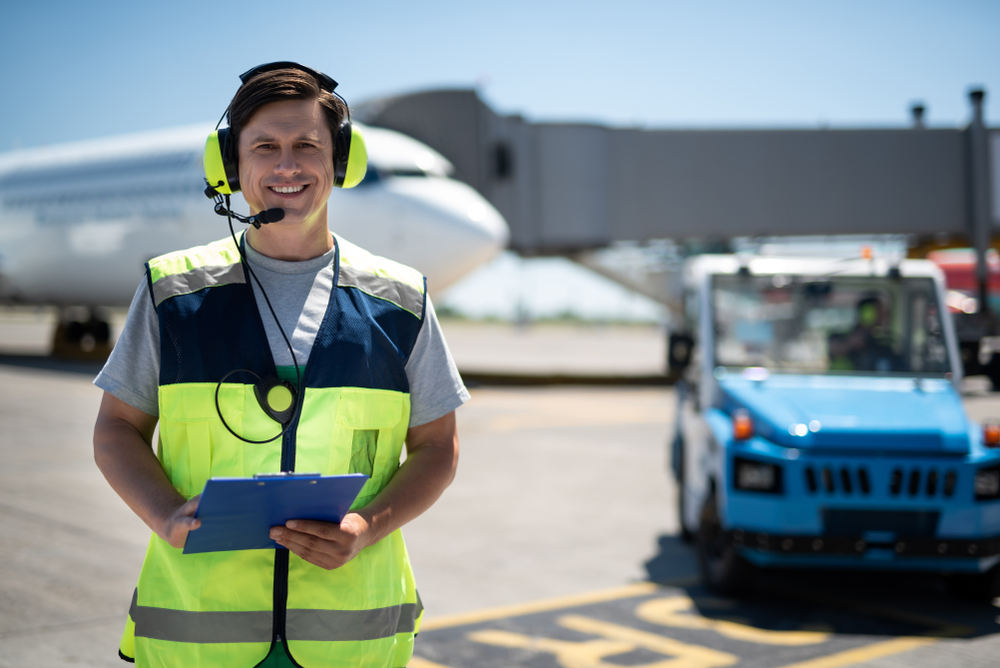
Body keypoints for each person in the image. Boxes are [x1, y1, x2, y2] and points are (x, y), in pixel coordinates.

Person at [92, 62, 468, 668]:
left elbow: (438, 448)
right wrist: (163, 516)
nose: (287, 165)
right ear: (231, 166)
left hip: (349, 644)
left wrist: (366, 528)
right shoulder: (172, 291)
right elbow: (116, 430)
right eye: (265, 146)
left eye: (307, 146)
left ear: (340, 162)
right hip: (199, 640)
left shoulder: (401, 300)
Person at [828, 295, 898, 372]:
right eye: (880, 311)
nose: (884, 315)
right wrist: (851, 343)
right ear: (867, 313)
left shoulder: (884, 342)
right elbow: (831, 350)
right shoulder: (841, 336)